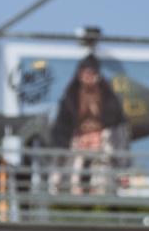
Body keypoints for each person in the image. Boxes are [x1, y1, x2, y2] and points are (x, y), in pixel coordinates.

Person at [49, 54, 129, 195]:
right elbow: (60, 135)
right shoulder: (71, 98)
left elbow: (119, 134)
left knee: (102, 187)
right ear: (79, 75)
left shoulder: (109, 100)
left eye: (92, 74)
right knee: (72, 186)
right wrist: (57, 173)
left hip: (102, 149)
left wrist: (122, 170)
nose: (88, 78)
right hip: (76, 149)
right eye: (85, 74)